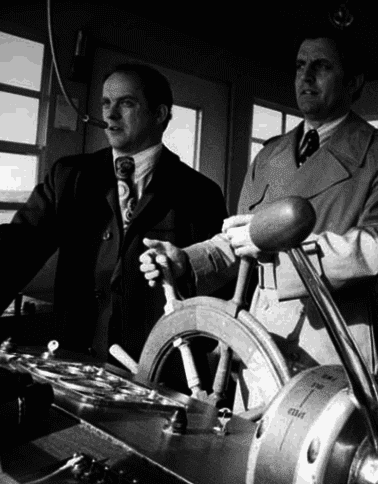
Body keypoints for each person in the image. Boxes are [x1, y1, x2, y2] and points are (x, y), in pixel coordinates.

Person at [140, 30, 378, 407]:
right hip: (257, 341)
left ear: (353, 83)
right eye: (300, 66)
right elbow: (237, 241)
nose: (305, 77)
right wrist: (185, 261)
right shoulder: (269, 156)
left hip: (330, 346)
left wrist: (273, 253)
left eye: (321, 67)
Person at [0, 63, 228, 363]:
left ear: (159, 115)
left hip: (156, 368)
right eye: (106, 103)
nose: (110, 114)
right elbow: (18, 247)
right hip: (74, 359)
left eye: (126, 103)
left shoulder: (200, 193)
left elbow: (218, 283)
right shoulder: (69, 177)